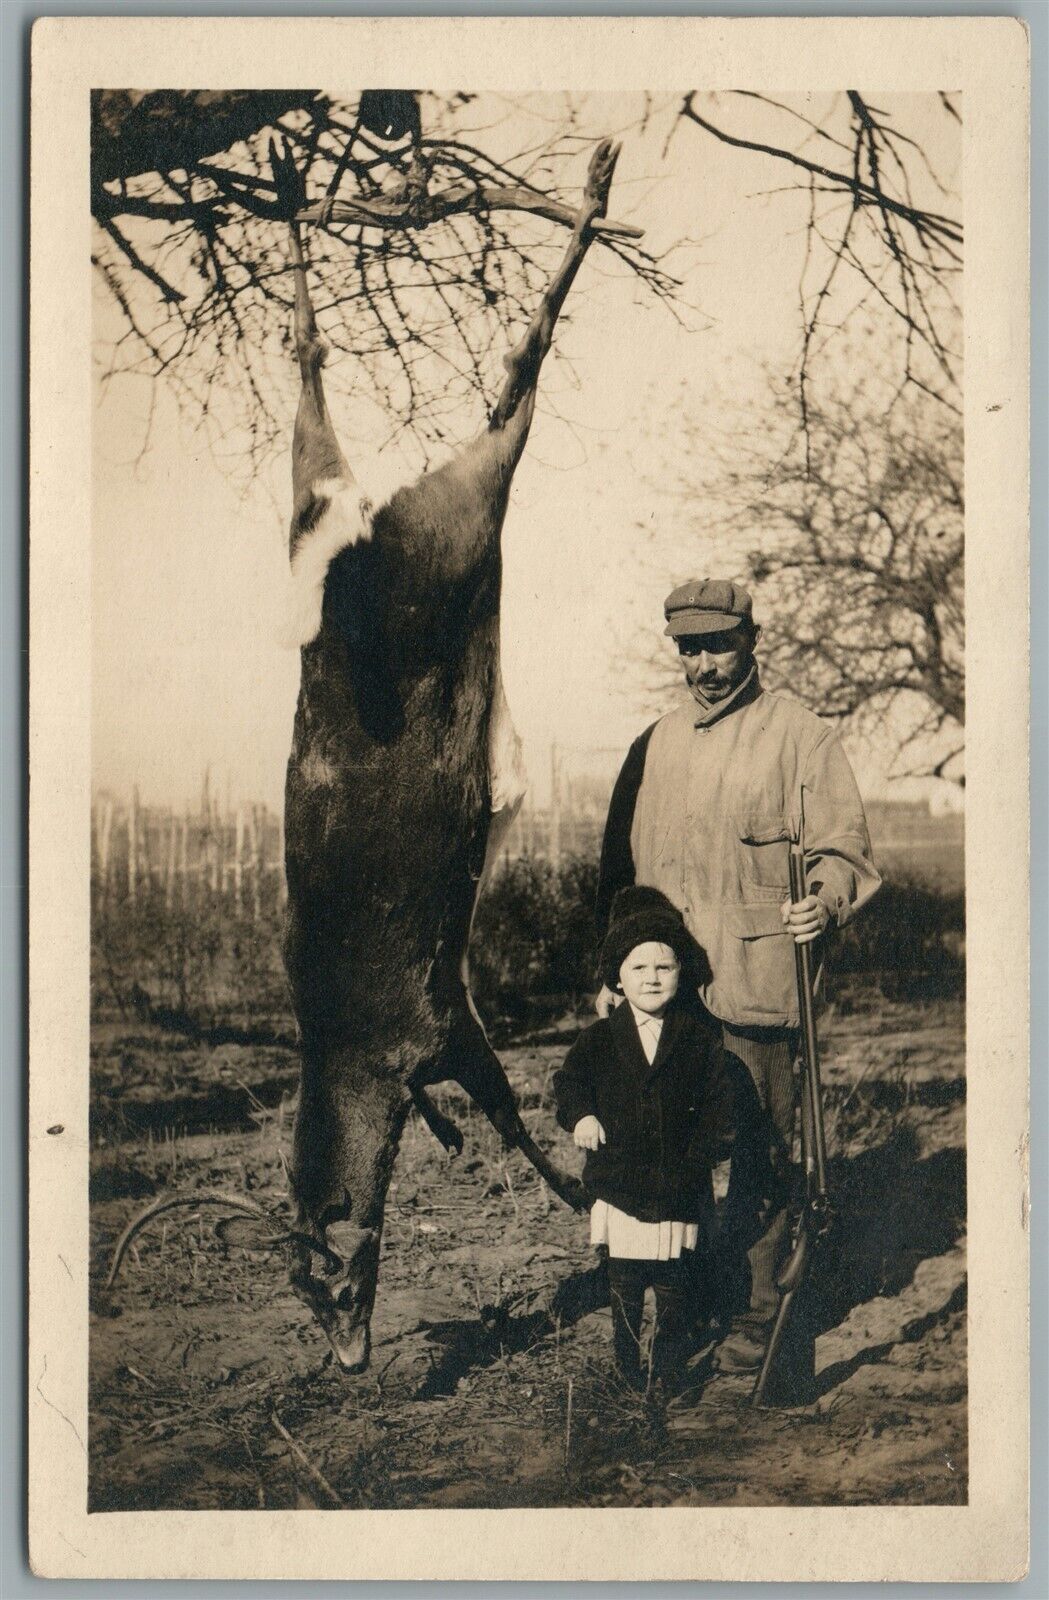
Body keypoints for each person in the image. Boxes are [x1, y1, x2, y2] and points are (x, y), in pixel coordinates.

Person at [595, 578, 880, 1373]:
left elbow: (842, 851)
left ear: (752, 639)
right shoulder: (654, 744)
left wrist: (823, 903)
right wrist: (613, 971)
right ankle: (686, 1319)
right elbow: (620, 876)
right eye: (689, 649)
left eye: (718, 645)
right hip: (668, 998)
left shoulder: (801, 737)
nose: (704, 665)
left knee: (762, 1167)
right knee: (668, 1163)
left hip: (759, 989)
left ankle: (758, 1338)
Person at [553, 887, 735, 1391]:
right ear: (617, 979)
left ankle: (670, 1372)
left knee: (675, 1290)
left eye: (664, 968)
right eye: (638, 969)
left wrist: (703, 1151)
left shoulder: (699, 1041)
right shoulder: (598, 1040)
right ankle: (628, 1375)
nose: (652, 978)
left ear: (681, 974)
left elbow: (721, 1105)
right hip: (621, 1187)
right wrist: (582, 1117)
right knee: (626, 1288)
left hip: (677, 1187)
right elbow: (567, 1085)